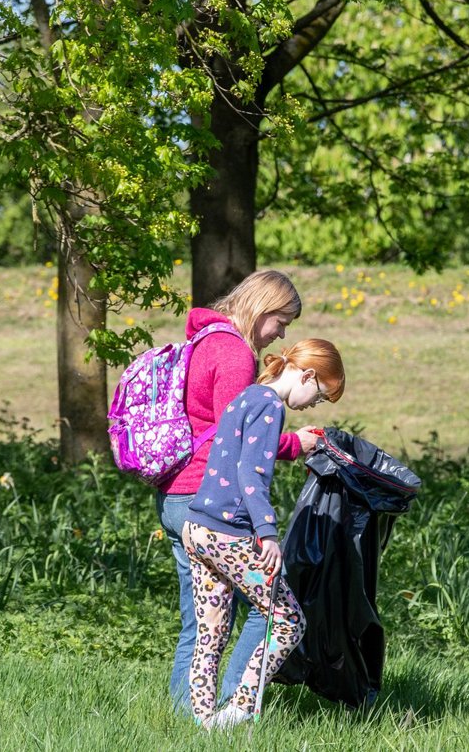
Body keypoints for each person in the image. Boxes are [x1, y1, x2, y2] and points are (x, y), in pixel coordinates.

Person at [155, 270, 319, 712]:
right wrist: (293, 445)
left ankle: (188, 719)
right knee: (270, 609)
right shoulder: (234, 354)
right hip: (206, 497)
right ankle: (233, 708)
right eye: (281, 321)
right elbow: (239, 437)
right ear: (263, 308)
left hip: (174, 495)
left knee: (202, 621)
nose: (281, 333)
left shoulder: (205, 339)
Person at [182, 338, 346, 729]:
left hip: (197, 528)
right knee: (289, 621)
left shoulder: (247, 395)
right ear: (307, 375)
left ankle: (204, 724)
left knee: (211, 635)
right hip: (229, 535)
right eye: (319, 395)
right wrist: (267, 533)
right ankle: (239, 710)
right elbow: (250, 473)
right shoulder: (270, 406)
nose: (311, 405)